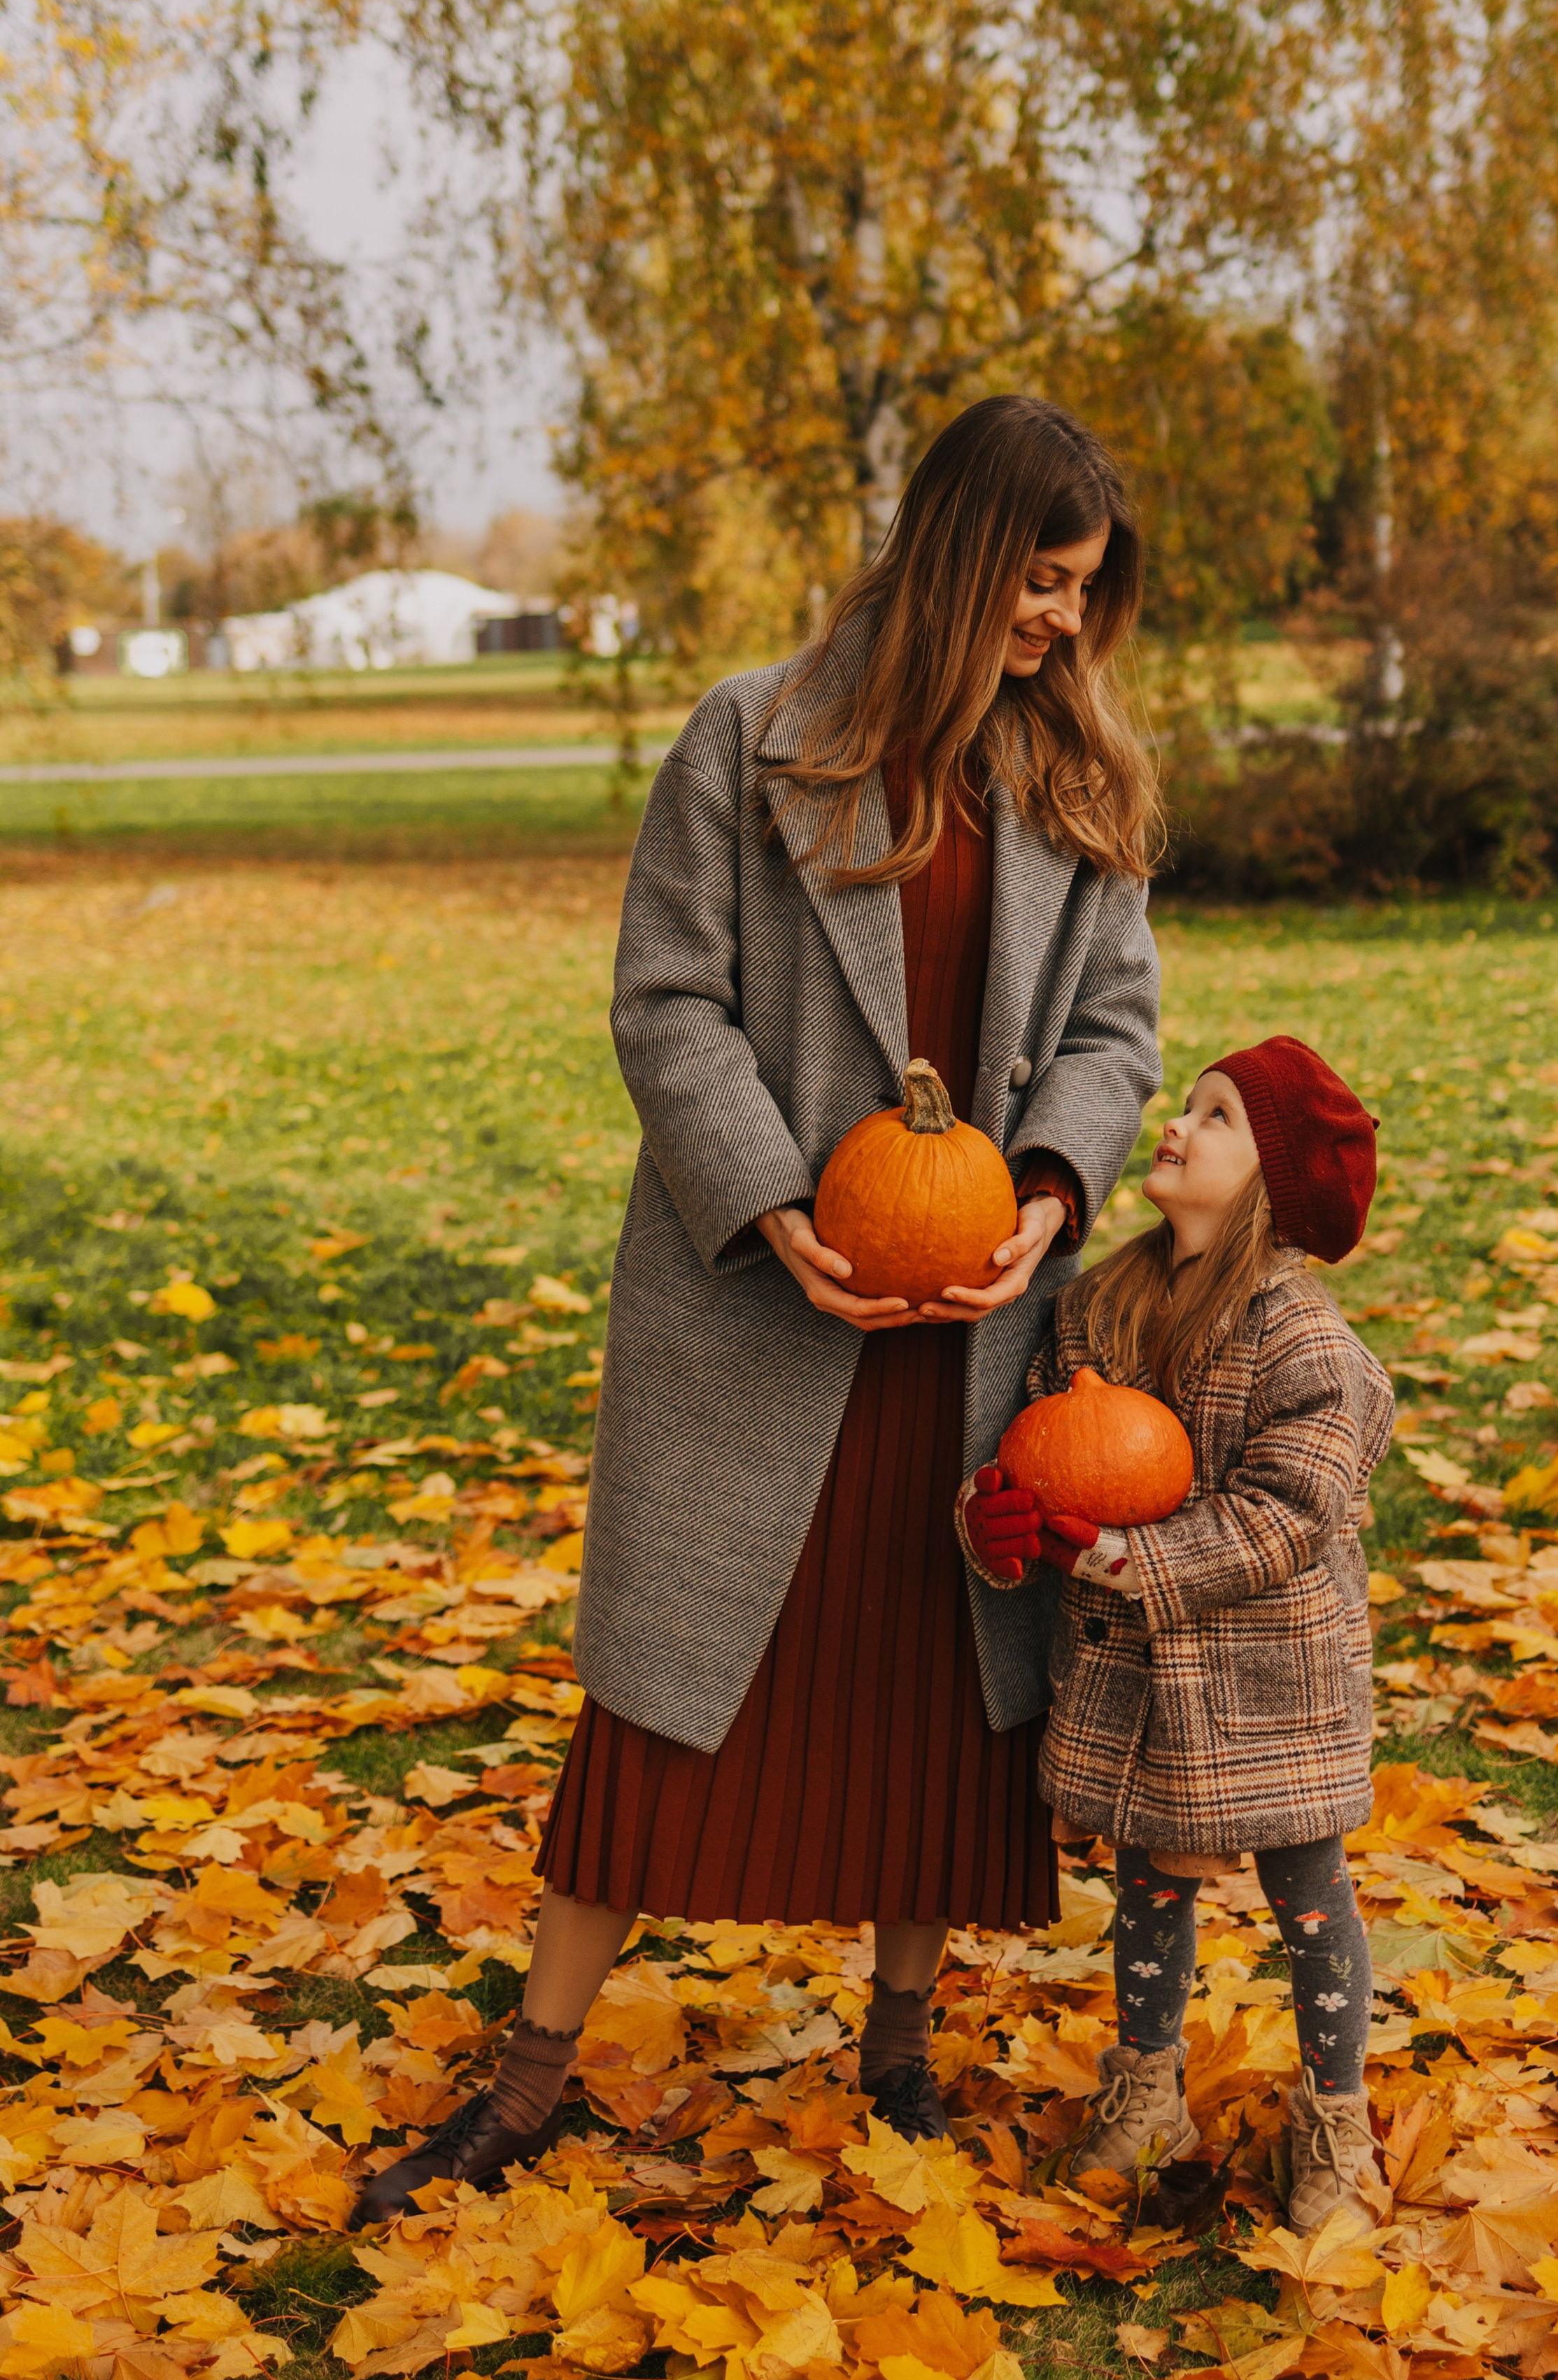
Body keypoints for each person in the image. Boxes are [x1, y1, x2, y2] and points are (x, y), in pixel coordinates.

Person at [350, 396, 1163, 2225]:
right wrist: (774, 1206)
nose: (1058, 620)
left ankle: (897, 2051)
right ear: (959, 557)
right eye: (1037, 582)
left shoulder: (1074, 773)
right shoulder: (756, 738)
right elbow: (666, 1001)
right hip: (762, 1310)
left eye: (1083, 592)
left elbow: (1117, 1032)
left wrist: (1047, 1191)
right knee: (656, 1709)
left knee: (941, 1702)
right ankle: (531, 2083)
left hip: (967, 1331)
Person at [961, 1036, 1395, 2235]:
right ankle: (1148, 2091)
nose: (1176, 1123)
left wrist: (1110, 1555)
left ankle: (1338, 2119)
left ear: (1275, 1184)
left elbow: (1288, 1515)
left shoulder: (1302, 1340)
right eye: (1187, 1102)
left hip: (1272, 1680)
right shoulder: (1099, 1305)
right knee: (1146, 1883)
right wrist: (997, 1524)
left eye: (1217, 1118)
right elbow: (1036, 1460)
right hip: (1138, 1682)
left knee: (1309, 1897)